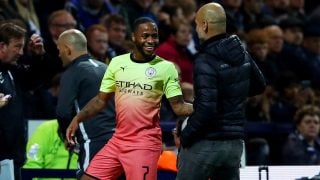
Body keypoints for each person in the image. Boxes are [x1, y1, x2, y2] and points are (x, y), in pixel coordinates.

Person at [66, 17, 193, 180]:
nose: (151, 40)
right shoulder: (117, 63)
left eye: (154, 36)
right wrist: (78, 118)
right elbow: (99, 100)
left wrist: (207, 106)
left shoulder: (166, 68)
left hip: (144, 145)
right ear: (133, 37)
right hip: (118, 141)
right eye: (145, 36)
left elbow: (179, 107)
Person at [177, 3, 266, 180]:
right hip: (235, 146)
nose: (195, 29)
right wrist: (231, 93)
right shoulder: (241, 52)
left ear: (205, 25)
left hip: (208, 143)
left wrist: (185, 135)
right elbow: (259, 85)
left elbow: (206, 109)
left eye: (196, 23)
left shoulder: (205, 59)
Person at [56, 29, 116, 178]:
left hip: (95, 141)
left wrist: (68, 137)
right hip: (120, 142)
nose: (59, 55)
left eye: (59, 50)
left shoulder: (73, 73)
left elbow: (63, 112)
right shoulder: (106, 68)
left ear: (67, 50)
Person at [0, 22, 46, 180]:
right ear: (2, 46)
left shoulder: (10, 69)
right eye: (17, 46)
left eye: (22, 47)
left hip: (14, 155)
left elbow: (34, 81)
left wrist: (37, 57)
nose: (21, 52)